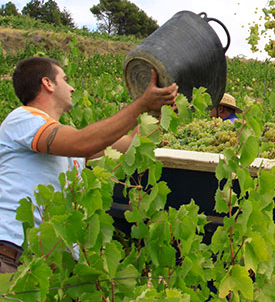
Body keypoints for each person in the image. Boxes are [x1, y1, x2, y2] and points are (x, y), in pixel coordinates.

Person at [0, 57, 178, 273]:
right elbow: (82, 143)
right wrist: (141, 104)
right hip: (12, 257)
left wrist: (158, 111)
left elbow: (131, 145)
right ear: (48, 84)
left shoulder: (63, 147)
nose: (72, 88)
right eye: (65, 80)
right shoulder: (23, 119)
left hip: (46, 264)